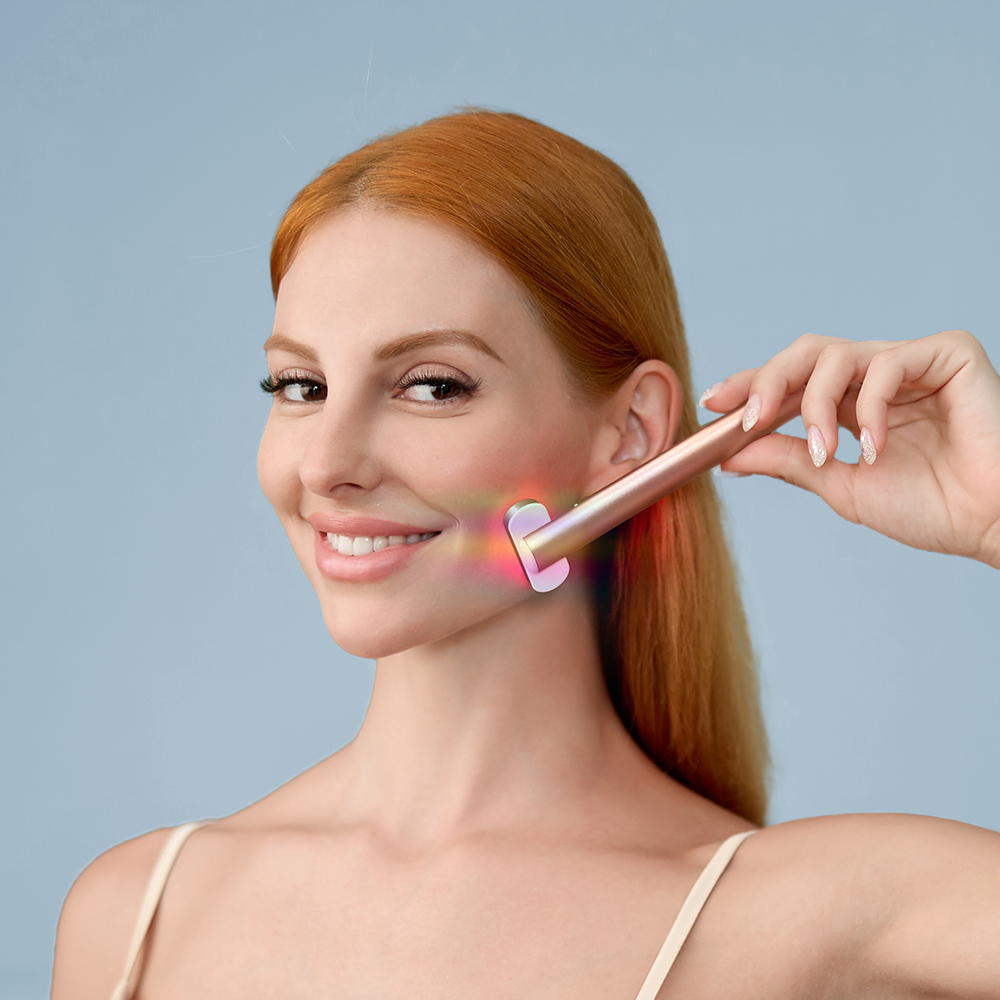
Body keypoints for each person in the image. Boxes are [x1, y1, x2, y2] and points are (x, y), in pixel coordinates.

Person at [51, 109, 1000, 1000]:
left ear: (630, 434)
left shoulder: (812, 913)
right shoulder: (135, 912)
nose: (327, 465)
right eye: (298, 385)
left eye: (430, 386)